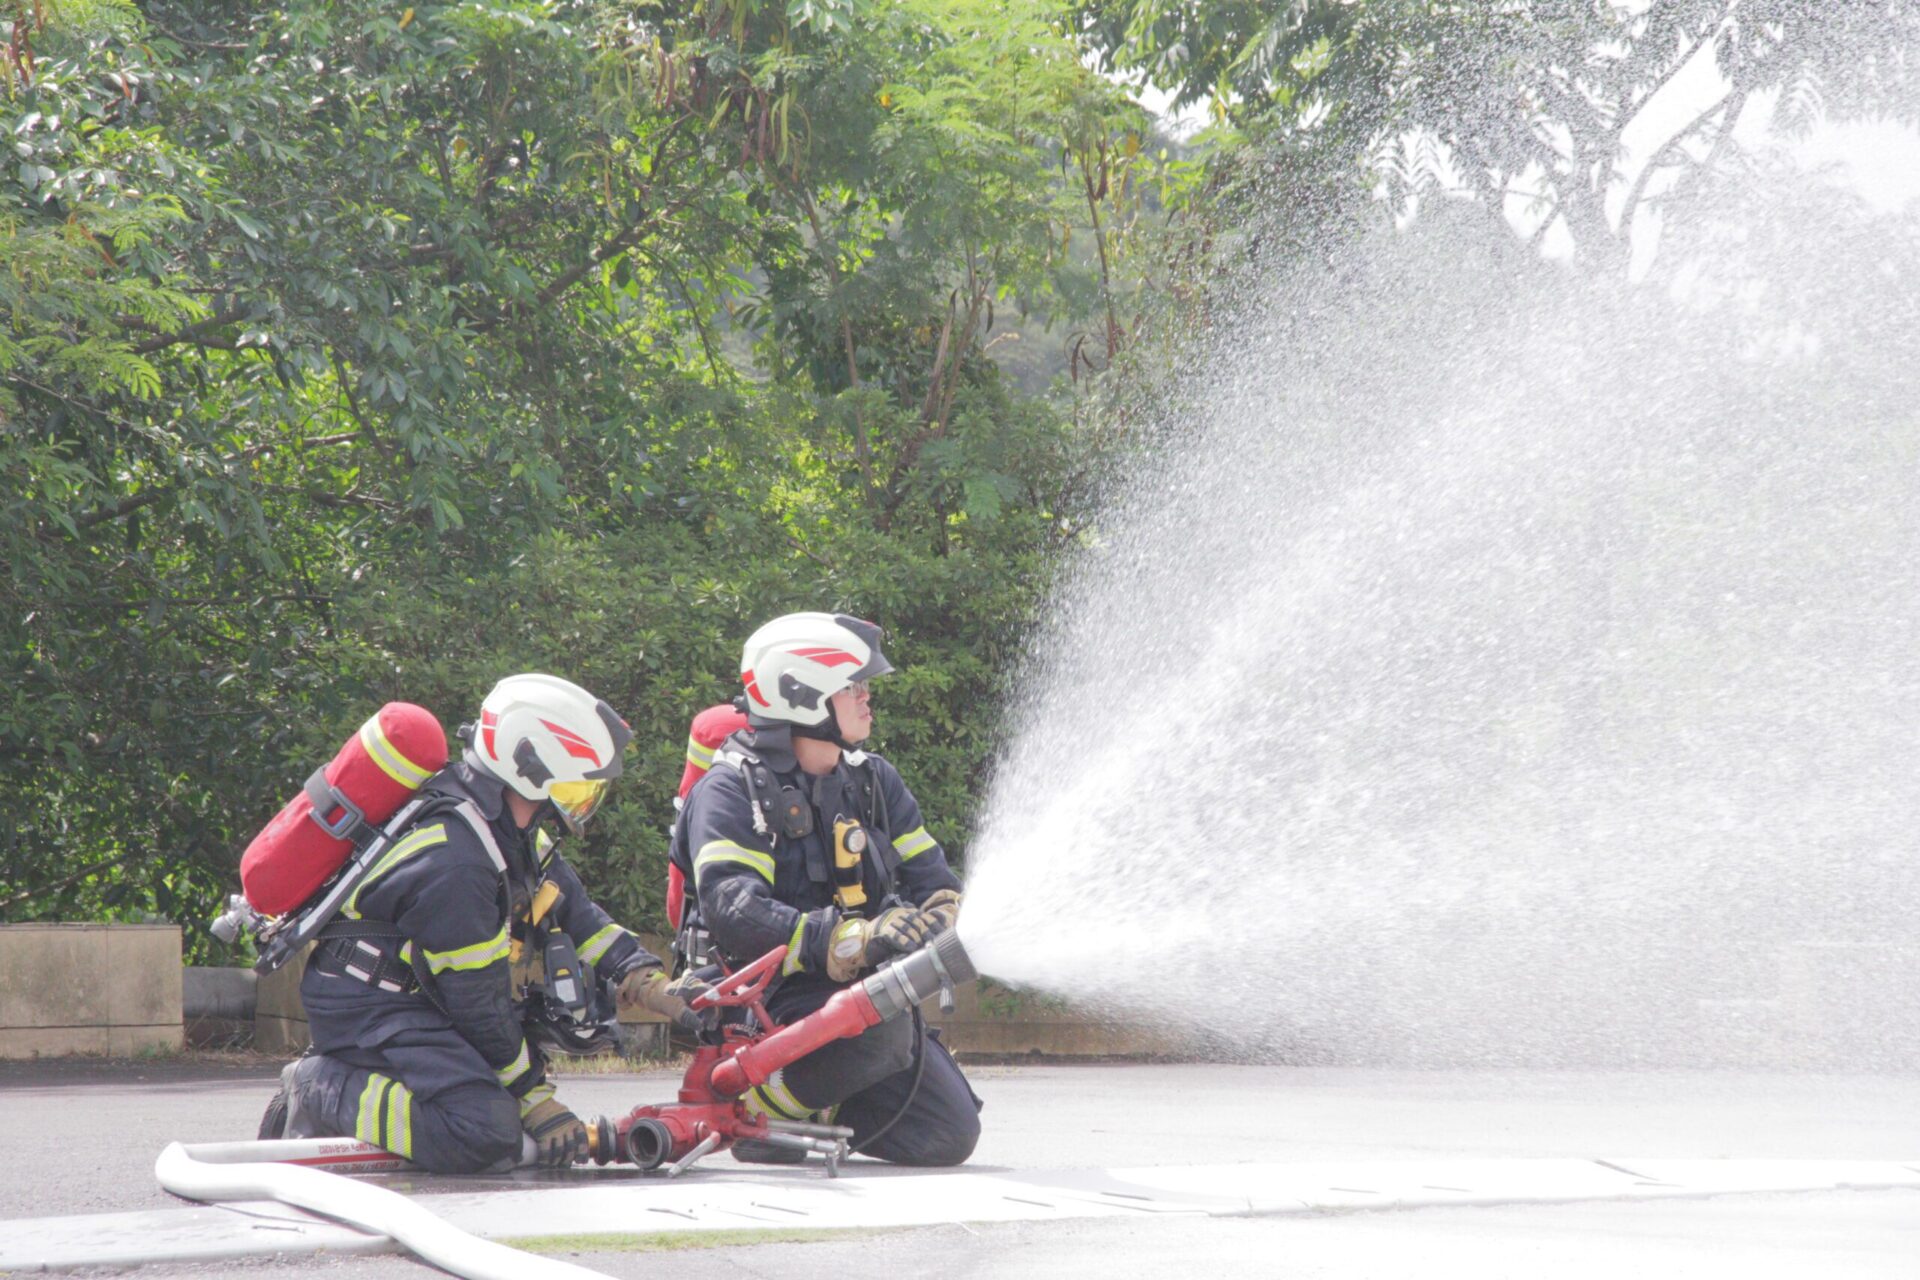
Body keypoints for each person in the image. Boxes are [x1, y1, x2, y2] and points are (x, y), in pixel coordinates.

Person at [260, 673, 702, 1173]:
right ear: (529, 766)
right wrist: (534, 1098)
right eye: (576, 784)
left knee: (499, 1105)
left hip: (416, 1000)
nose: (582, 802)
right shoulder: (458, 863)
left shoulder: (505, 832)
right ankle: (320, 1087)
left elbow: (580, 916)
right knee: (484, 1131)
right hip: (370, 1007)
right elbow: (477, 1003)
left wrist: (649, 981)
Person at [671, 612, 980, 1166]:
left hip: (862, 1003)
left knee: (948, 1133)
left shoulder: (873, 782)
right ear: (801, 693)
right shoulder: (731, 790)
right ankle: (761, 1114)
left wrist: (937, 916)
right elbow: (732, 909)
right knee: (883, 1034)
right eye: (853, 686)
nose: (867, 698)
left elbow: (935, 882)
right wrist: (850, 939)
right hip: (768, 1001)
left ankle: (816, 1104)